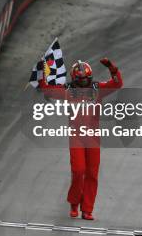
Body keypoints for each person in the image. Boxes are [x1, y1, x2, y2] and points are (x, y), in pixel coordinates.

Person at [38, 58, 123, 221]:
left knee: (92, 173)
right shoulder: (68, 91)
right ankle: (74, 203)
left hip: (93, 137)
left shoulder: (98, 89)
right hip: (76, 136)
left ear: (90, 79)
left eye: (86, 80)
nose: (83, 84)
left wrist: (113, 68)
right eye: (80, 81)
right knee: (78, 170)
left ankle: (87, 209)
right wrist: (42, 72)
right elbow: (45, 89)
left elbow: (118, 83)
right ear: (74, 80)